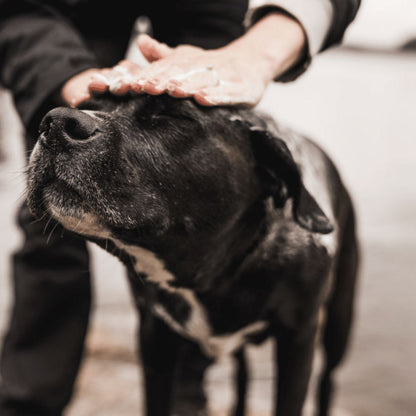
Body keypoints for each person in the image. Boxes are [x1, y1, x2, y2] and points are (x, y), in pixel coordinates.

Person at [0, 1, 360, 415]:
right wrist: (70, 82)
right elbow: (17, 10)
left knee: (192, 141)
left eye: (170, 124)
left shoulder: (295, 245)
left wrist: (253, 54)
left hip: (210, 11)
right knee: (55, 231)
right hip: (71, 10)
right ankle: (26, 403)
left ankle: (192, 395)